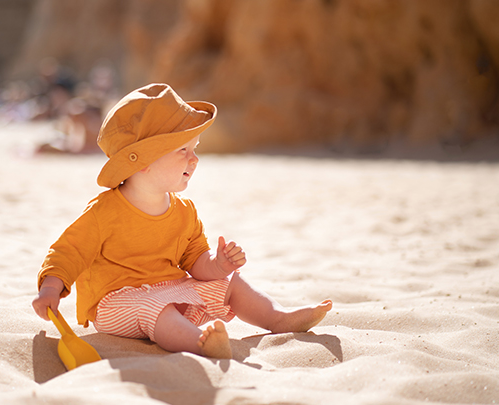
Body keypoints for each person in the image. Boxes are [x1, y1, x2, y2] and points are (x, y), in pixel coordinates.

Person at [32, 83, 333, 359]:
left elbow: (196, 261)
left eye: (195, 149)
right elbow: (68, 252)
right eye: (183, 150)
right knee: (155, 309)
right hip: (116, 304)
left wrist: (218, 265)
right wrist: (50, 289)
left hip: (170, 289)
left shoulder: (184, 210)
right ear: (144, 161)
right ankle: (198, 341)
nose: (195, 159)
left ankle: (277, 317)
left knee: (230, 283)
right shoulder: (103, 212)